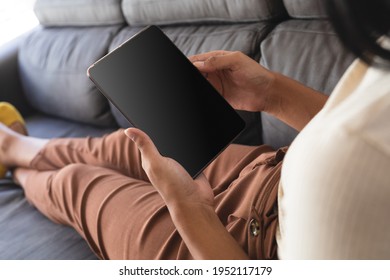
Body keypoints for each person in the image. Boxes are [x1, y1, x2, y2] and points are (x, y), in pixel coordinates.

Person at [0, 0, 389, 259]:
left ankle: (14, 167)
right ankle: (14, 146)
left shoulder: (353, 194)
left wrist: (189, 206)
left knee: (77, 182)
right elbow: (353, 122)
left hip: (242, 245)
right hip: (273, 171)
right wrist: (273, 93)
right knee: (127, 145)